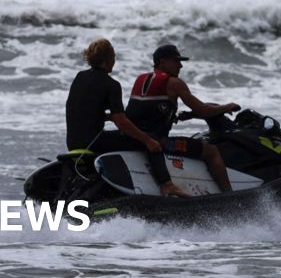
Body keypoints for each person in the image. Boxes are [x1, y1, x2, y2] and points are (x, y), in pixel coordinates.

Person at [65, 38, 189, 198]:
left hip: (73, 142)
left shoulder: (80, 77)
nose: (114, 61)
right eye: (114, 57)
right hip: (94, 143)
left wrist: (107, 117)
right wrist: (147, 140)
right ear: (108, 59)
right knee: (152, 141)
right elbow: (121, 121)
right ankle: (167, 185)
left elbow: (81, 109)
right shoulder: (111, 84)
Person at [126, 44, 240, 193]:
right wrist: (227, 107)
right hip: (159, 142)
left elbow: (148, 110)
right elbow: (203, 110)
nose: (180, 66)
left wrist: (185, 115)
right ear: (162, 62)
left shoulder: (141, 79)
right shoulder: (174, 83)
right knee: (211, 151)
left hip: (134, 137)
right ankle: (229, 195)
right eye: (176, 61)